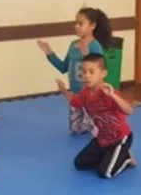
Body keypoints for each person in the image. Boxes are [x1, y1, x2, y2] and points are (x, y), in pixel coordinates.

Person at [54, 53, 135, 178]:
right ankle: (112, 156)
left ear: (103, 73)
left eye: (91, 72)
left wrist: (112, 96)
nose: (87, 76)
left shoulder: (108, 92)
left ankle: (126, 158)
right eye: (84, 72)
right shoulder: (85, 93)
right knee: (79, 164)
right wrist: (64, 91)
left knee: (105, 173)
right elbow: (75, 102)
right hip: (102, 139)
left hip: (120, 138)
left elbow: (129, 111)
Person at [38, 7, 113, 135]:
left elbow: (99, 73)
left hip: (90, 95)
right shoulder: (73, 45)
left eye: (80, 23)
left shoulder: (95, 46)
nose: (76, 26)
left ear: (92, 26)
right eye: (75, 23)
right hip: (75, 94)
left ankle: (102, 121)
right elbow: (63, 67)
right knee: (76, 129)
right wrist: (49, 52)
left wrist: (87, 56)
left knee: (94, 130)